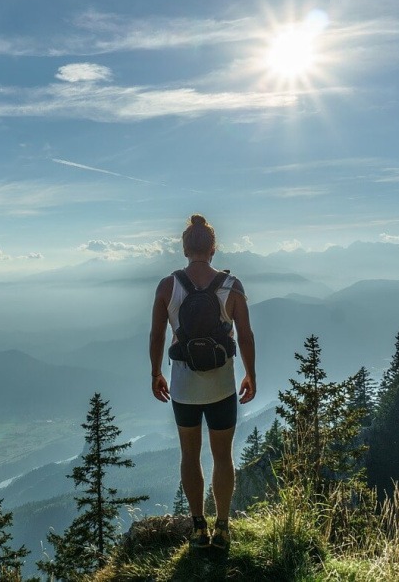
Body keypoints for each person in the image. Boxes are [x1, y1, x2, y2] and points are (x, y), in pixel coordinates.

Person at [150, 214, 256, 552]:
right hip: (222, 386)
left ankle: (198, 528)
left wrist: (156, 373)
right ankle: (222, 527)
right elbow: (246, 335)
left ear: (184, 248)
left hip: (184, 387)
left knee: (190, 455)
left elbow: (157, 333)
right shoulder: (232, 286)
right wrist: (250, 374)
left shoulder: (168, 286)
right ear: (213, 248)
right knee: (223, 457)